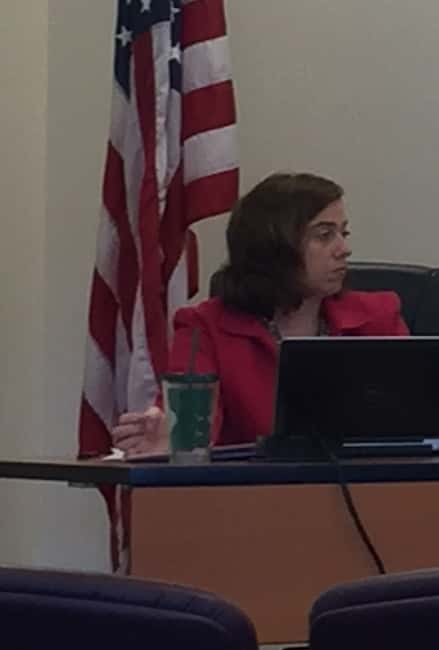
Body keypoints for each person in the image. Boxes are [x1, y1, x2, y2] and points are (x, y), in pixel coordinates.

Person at [110, 172, 407, 455]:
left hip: (374, 485)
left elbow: (411, 421)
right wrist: (171, 437)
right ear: (274, 246)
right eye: (324, 235)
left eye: (343, 233)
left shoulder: (377, 317)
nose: (344, 249)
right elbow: (194, 424)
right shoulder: (206, 327)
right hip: (254, 489)